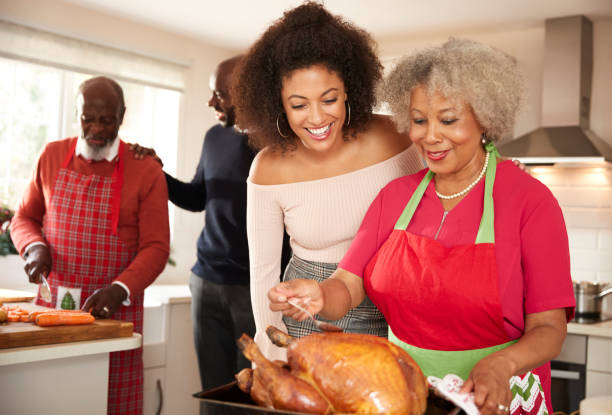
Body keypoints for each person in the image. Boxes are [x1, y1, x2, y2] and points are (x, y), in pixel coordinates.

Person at [268, 38, 575, 415]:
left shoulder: (530, 202)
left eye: (448, 120)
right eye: (418, 120)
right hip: (405, 395)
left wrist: (502, 364)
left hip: (497, 398)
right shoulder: (395, 197)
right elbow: (348, 285)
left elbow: (549, 328)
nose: (429, 136)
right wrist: (318, 295)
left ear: (485, 118)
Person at [231, 2, 425, 361]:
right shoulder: (268, 169)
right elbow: (263, 271)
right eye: (299, 105)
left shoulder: (395, 137)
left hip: (392, 308)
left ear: (349, 89)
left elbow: (436, 205)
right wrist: (271, 350)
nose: (317, 118)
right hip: (307, 316)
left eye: (329, 99)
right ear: (279, 105)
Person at [11, 76, 170, 415]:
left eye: (106, 119)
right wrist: (34, 247)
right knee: (51, 399)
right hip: (52, 312)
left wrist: (120, 288)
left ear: (122, 115)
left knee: (111, 403)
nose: (95, 128)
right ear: (77, 114)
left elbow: (156, 247)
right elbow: (23, 218)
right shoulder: (51, 155)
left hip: (115, 317)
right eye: (87, 118)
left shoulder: (146, 170)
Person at [130, 55, 291, 389]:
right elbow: (198, 198)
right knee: (213, 389)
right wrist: (157, 172)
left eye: (220, 94)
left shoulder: (281, 145)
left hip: (254, 290)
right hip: (206, 283)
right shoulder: (213, 138)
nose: (211, 102)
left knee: (252, 391)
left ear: (247, 93)